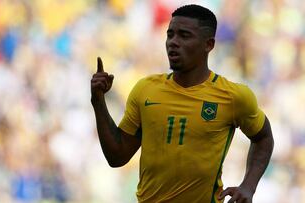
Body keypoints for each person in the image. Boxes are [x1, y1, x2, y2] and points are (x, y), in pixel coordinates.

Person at [91, 4, 274, 203]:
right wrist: (98, 102)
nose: (173, 42)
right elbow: (117, 157)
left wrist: (248, 186)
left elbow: (263, 137)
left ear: (209, 44)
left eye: (184, 36)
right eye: (170, 35)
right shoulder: (145, 90)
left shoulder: (233, 96)